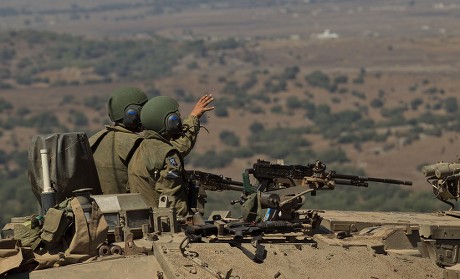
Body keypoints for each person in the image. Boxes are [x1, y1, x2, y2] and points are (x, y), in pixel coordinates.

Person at [89, 86, 213, 194]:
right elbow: (173, 151)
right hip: (129, 215)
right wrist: (192, 118)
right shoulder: (138, 144)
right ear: (133, 114)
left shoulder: (93, 141)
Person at [128, 96, 214, 216]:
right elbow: (173, 200)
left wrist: (193, 117)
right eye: (175, 119)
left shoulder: (142, 146)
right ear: (168, 121)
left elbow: (180, 145)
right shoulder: (168, 155)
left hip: (144, 217)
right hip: (165, 225)